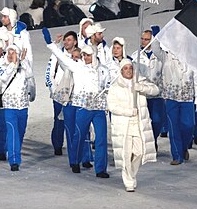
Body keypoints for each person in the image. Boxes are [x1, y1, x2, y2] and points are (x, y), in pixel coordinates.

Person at [43, 28, 111, 178]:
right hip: (82, 107)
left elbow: (108, 85)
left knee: (101, 138)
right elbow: (62, 58)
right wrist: (51, 44)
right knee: (78, 135)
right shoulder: (77, 67)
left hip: (99, 108)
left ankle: (100, 169)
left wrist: (107, 100)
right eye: (83, 55)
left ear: (94, 55)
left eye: (87, 55)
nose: (84, 57)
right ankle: (75, 161)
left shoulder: (104, 70)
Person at [108, 59, 160, 192]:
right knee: (126, 154)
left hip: (138, 124)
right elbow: (112, 106)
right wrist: (128, 112)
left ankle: (131, 174)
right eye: (125, 68)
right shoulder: (115, 87)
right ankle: (129, 182)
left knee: (139, 152)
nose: (128, 71)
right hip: (124, 125)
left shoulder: (139, 82)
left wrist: (141, 88)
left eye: (130, 68)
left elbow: (155, 90)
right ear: (121, 71)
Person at [161, 47, 197, 165]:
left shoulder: (192, 60)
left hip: (187, 99)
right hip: (171, 98)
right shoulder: (167, 56)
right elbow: (155, 49)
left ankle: (184, 147)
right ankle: (177, 155)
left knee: (189, 125)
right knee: (173, 127)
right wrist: (157, 34)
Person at [0, 44, 32, 171]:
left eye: (14, 53)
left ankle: (13, 150)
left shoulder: (23, 66)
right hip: (9, 106)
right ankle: (14, 160)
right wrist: (13, 64)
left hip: (23, 106)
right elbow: (4, 77)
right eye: (9, 53)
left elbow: (30, 75)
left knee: (20, 132)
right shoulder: (2, 66)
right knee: (12, 132)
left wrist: (23, 61)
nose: (11, 55)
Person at [45, 31, 78, 155]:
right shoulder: (57, 54)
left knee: (75, 121)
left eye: (69, 40)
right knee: (59, 121)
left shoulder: (79, 54)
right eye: (65, 40)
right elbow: (49, 73)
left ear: (75, 42)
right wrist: (54, 90)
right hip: (60, 94)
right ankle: (57, 145)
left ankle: (75, 145)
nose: (66, 42)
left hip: (75, 95)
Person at [133, 29, 167, 141]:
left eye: (147, 39)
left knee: (157, 120)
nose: (144, 41)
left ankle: (153, 139)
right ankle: (147, 142)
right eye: (142, 39)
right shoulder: (136, 56)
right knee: (143, 121)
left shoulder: (160, 56)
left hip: (157, 94)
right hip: (142, 95)